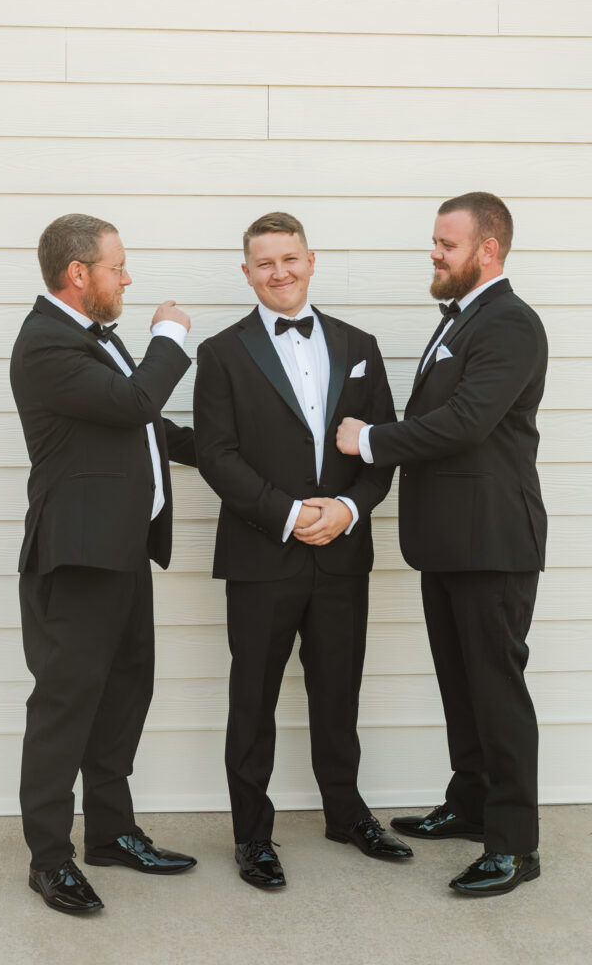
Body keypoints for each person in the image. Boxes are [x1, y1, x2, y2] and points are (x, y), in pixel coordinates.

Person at [336, 192, 547, 897]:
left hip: (492, 542)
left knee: (496, 691)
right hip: (447, 544)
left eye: (445, 243)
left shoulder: (510, 323)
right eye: (434, 241)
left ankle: (514, 845)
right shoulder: (464, 319)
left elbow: (464, 421)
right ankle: (470, 802)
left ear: (487, 249)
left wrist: (367, 440)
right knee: (462, 686)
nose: (433, 252)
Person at [193, 211, 412, 891]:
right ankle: (252, 836)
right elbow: (216, 456)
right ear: (247, 272)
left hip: (342, 554)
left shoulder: (360, 345)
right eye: (265, 262)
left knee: (337, 693)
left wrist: (346, 509)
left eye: (289, 258)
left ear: (309, 260)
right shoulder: (222, 353)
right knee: (251, 701)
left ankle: (344, 814)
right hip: (262, 554)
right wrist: (289, 515)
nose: (279, 272)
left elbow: (384, 446)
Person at [10, 213, 197, 915]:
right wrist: (170, 335)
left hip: (121, 552)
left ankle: (112, 834)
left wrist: (237, 456)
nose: (127, 278)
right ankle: (49, 860)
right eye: (118, 266)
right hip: (77, 557)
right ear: (78, 274)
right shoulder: (45, 345)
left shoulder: (95, 340)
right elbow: (136, 400)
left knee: (124, 694)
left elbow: (146, 427)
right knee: (65, 707)